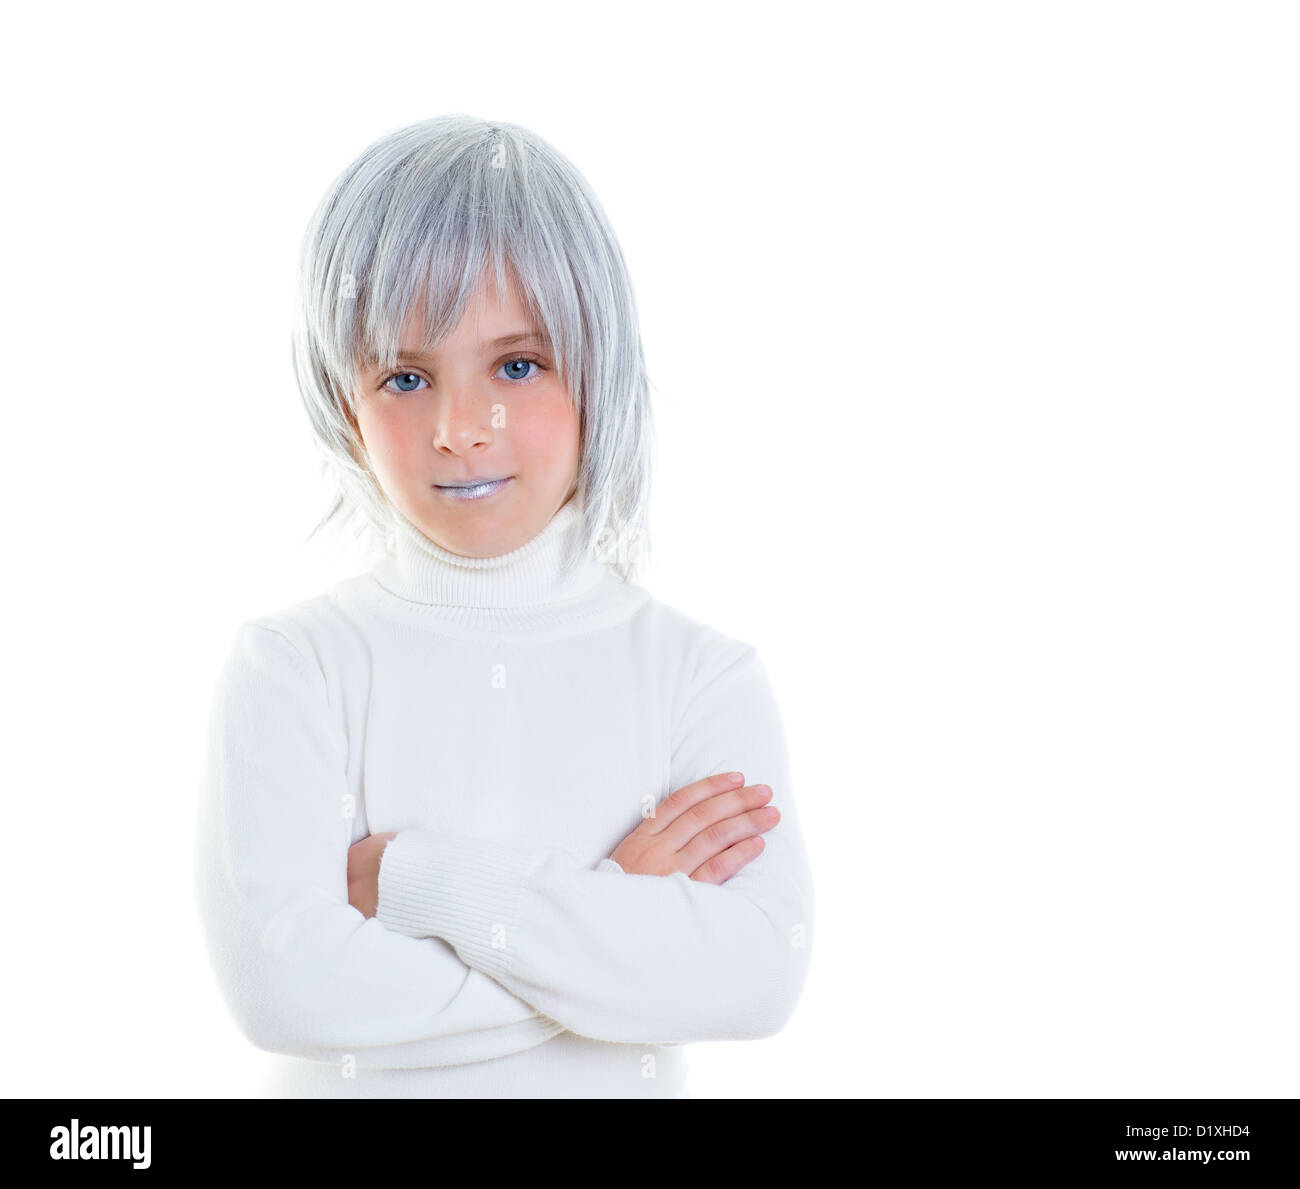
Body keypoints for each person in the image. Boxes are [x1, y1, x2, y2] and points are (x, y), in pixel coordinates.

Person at [194, 114, 815, 1098]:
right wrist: (616, 925)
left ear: (594, 367)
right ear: (342, 403)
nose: (460, 428)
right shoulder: (295, 665)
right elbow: (285, 990)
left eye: (516, 366)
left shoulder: (698, 674)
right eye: (405, 376)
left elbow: (753, 974)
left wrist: (420, 884)